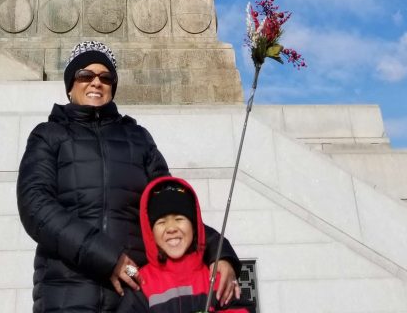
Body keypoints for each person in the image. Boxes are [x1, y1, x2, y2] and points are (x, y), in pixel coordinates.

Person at [17, 40, 242, 313]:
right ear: (70, 86)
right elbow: (35, 207)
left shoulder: (138, 138)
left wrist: (219, 253)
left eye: (106, 77)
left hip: (132, 295)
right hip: (66, 292)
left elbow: (171, 205)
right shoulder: (47, 135)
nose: (96, 82)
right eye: (85, 75)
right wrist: (107, 258)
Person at [117, 176, 252, 313]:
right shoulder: (142, 281)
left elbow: (241, 308)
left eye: (179, 219)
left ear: (194, 227)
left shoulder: (214, 277)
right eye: (161, 222)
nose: (171, 228)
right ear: (150, 233)